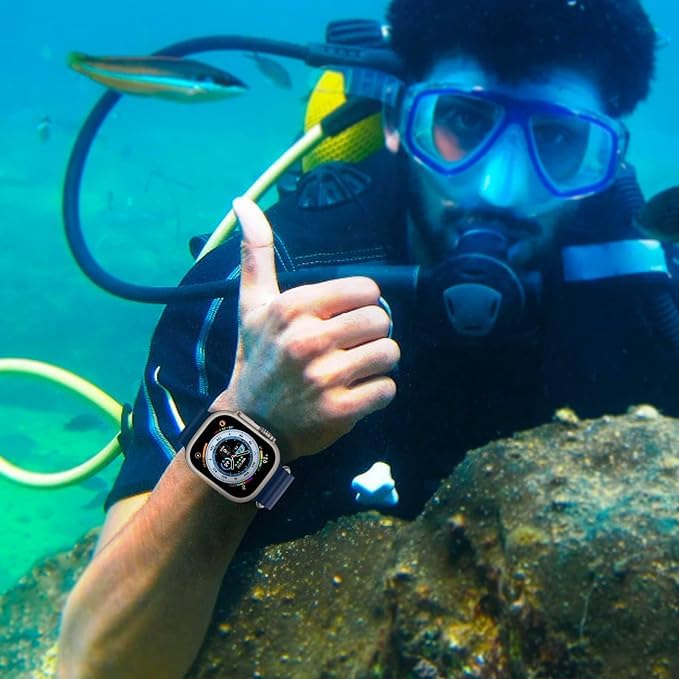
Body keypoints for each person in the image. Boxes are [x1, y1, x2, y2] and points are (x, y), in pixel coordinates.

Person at [58, 0, 668, 676]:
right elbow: (96, 659)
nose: (499, 188)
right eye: (463, 121)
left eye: (557, 138)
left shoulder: (651, 295)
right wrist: (249, 424)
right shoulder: (267, 289)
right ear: (398, 121)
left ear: (605, 159)